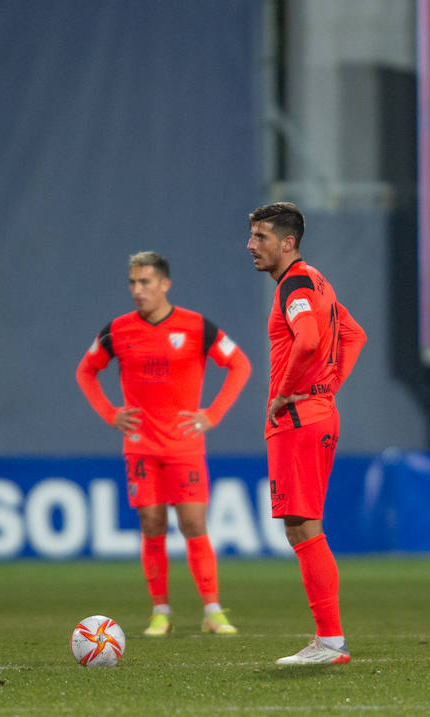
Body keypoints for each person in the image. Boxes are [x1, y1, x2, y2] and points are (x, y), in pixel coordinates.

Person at [76, 251, 251, 637]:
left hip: (184, 445)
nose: (138, 291)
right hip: (141, 447)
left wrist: (213, 414)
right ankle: (161, 612)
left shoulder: (195, 327)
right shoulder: (117, 330)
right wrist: (110, 413)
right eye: (133, 283)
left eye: (145, 283)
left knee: (193, 523)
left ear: (164, 284)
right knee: (152, 524)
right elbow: (86, 371)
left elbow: (239, 363)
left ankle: (212, 611)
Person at [245, 202, 367, 665]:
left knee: (303, 528)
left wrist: (285, 391)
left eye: (261, 236)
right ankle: (329, 640)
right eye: (252, 236)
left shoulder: (294, 284)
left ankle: (330, 641)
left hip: (297, 420)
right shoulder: (318, 281)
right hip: (318, 413)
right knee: (304, 527)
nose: (251, 245)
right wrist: (328, 386)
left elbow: (310, 339)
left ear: (287, 242)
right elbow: (355, 335)